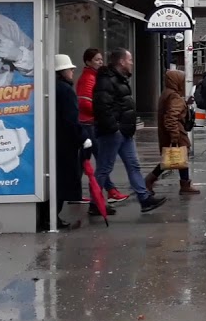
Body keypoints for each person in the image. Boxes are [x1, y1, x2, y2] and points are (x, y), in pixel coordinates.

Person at [92, 48, 167, 213]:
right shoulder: (107, 80)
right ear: (121, 62)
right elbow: (102, 107)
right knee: (105, 167)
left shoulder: (119, 79)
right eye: (130, 60)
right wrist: (115, 128)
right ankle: (95, 202)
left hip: (124, 132)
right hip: (114, 132)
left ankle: (144, 198)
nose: (132, 63)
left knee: (133, 165)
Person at [40, 54, 86, 230]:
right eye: (69, 68)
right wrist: (82, 137)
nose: (73, 71)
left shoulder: (51, 88)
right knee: (62, 181)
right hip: (64, 143)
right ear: (61, 71)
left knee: (55, 180)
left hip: (54, 140)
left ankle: (48, 215)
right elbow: (71, 119)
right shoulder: (65, 90)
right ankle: (52, 217)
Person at [76, 48, 128, 204]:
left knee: (85, 160)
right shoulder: (90, 78)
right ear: (88, 62)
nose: (100, 62)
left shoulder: (91, 76)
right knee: (102, 160)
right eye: (97, 60)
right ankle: (110, 191)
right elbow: (85, 101)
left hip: (87, 122)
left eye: (101, 59)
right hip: (89, 123)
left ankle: (74, 192)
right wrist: (100, 113)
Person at [146, 69, 196, 195]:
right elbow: (171, 116)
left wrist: (184, 103)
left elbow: (172, 110)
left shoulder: (167, 93)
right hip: (177, 132)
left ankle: (185, 183)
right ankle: (150, 180)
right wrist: (174, 135)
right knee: (174, 157)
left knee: (178, 157)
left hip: (172, 132)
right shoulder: (173, 95)